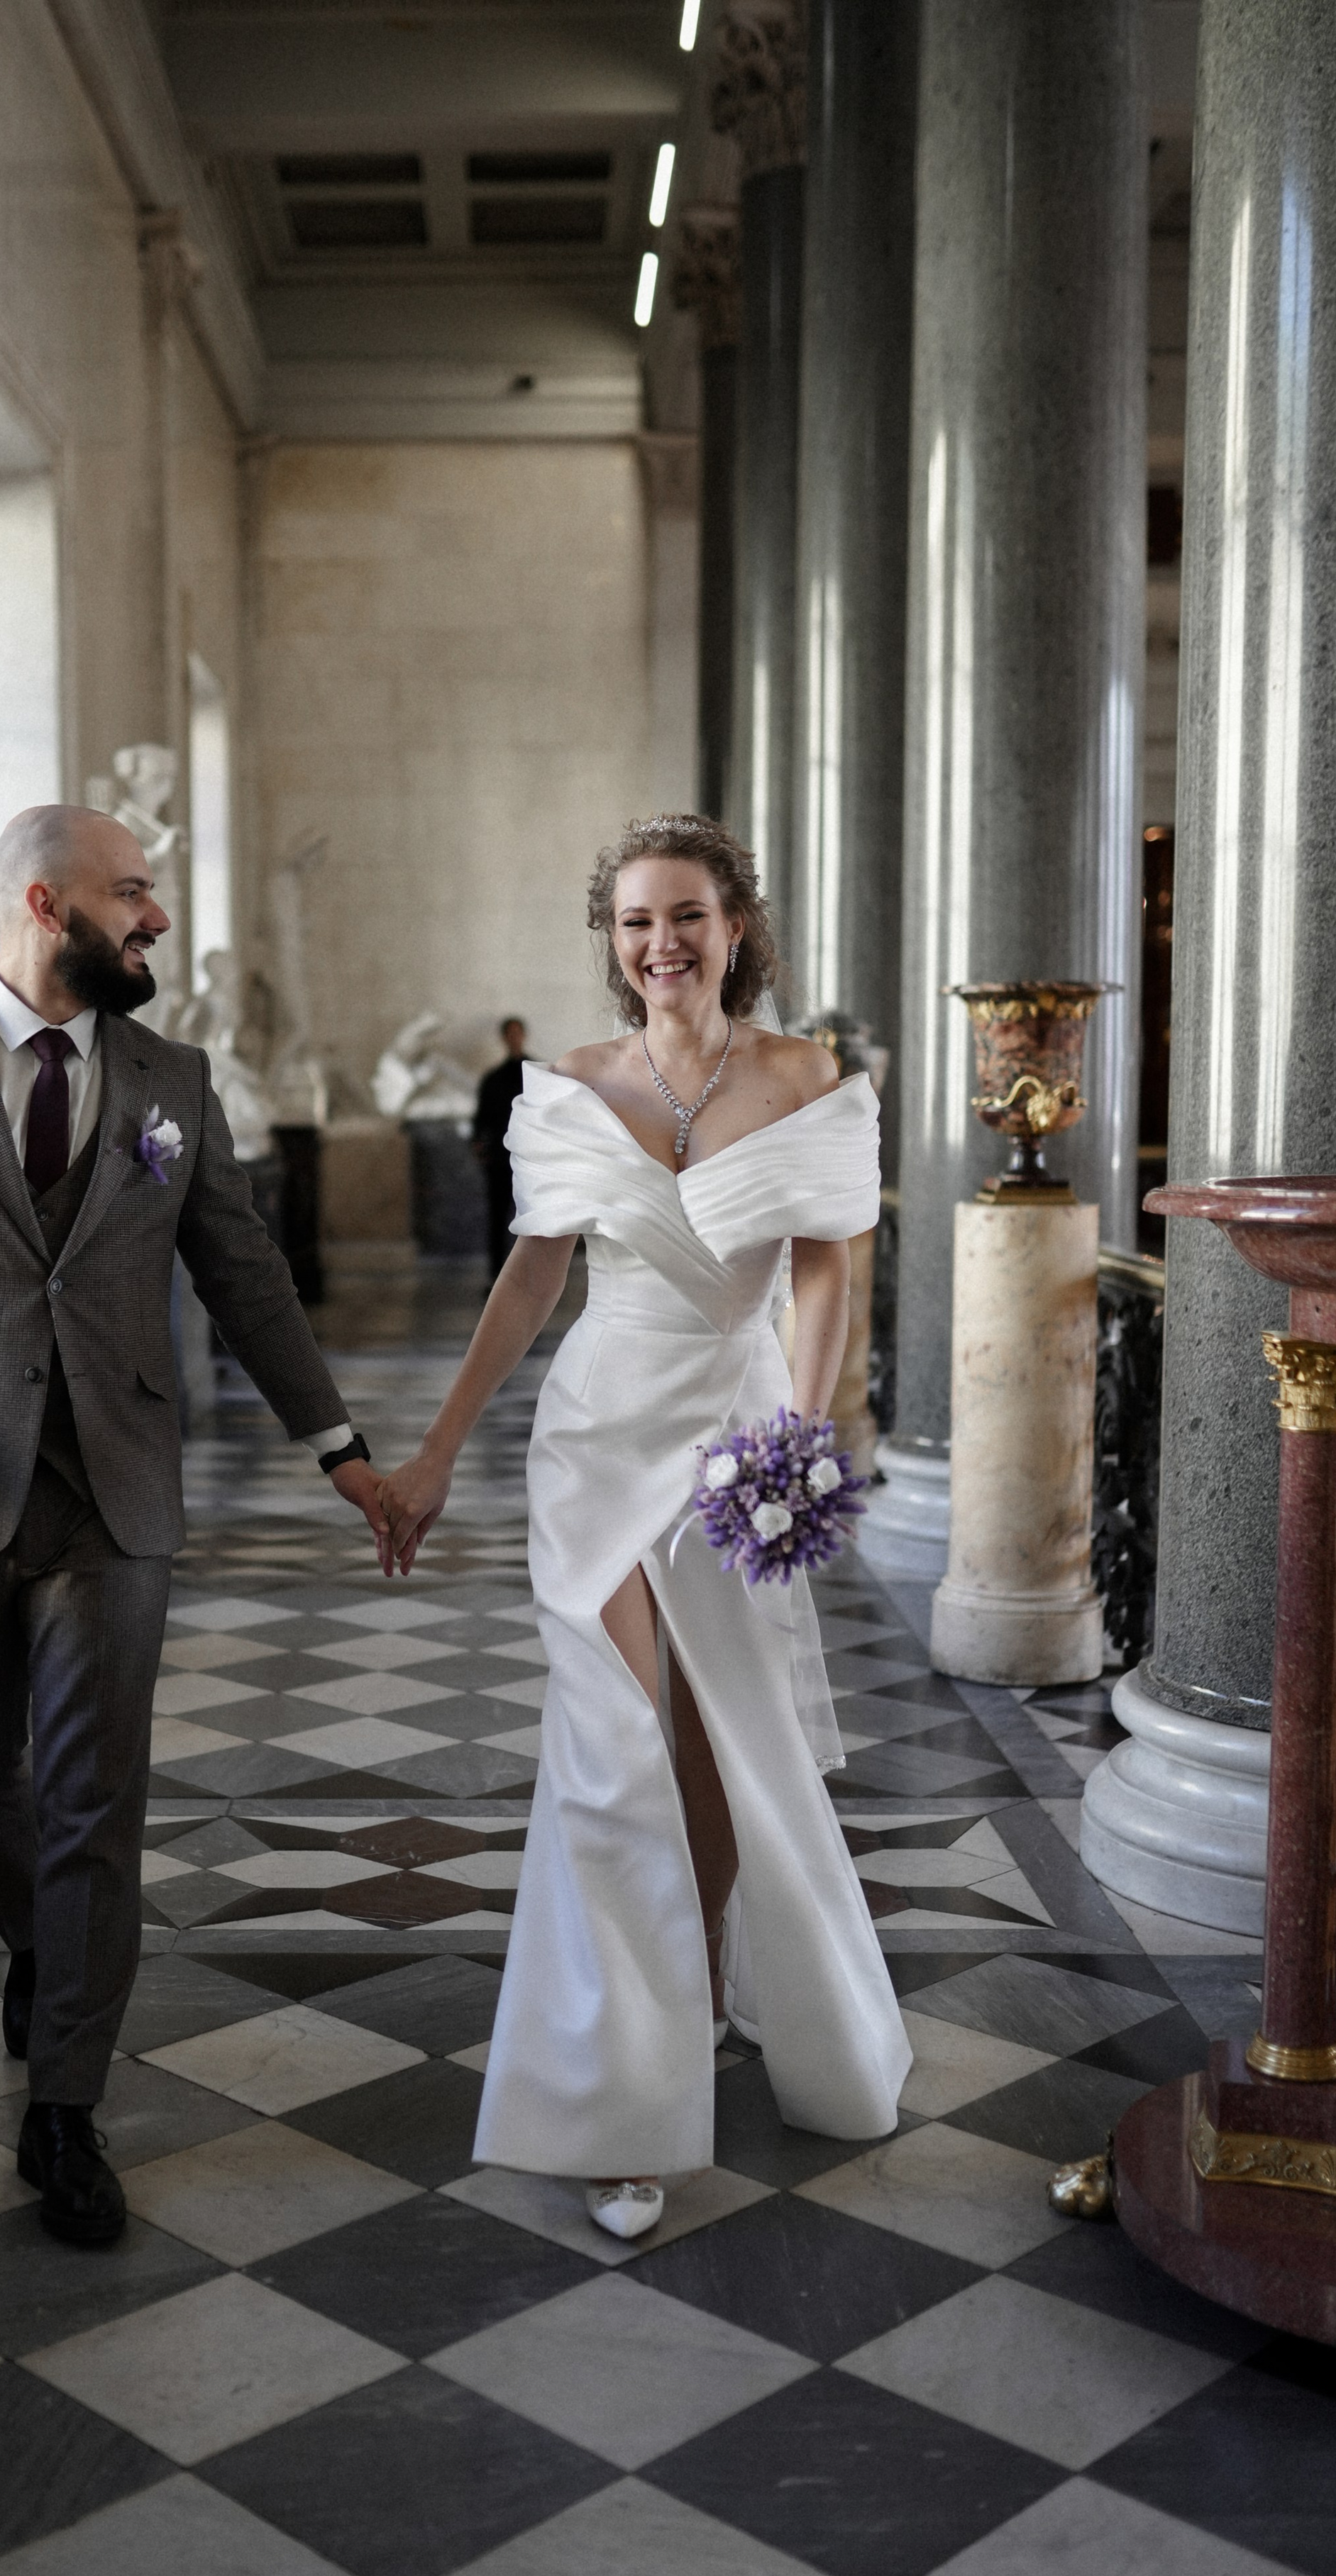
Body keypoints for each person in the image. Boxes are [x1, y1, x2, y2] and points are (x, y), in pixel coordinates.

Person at [0, 806, 389, 2245]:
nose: (156, 922)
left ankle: (65, 2104)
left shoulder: (169, 1076)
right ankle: (43, 1950)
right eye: (134, 896)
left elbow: (240, 1270)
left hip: (117, 1490)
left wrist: (340, 1447)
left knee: (93, 1799)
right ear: (47, 904)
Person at [380, 814, 910, 2242]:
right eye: (631, 923)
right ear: (610, 945)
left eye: (682, 915)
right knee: (614, 1755)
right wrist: (435, 1450)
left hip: (734, 1440)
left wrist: (792, 1441)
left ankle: (694, 1999)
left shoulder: (806, 1080)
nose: (657, 944)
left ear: (734, 923)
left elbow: (820, 1283)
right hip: (595, 1438)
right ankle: (624, 2111)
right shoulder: (566, 1087)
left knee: (718, 1752)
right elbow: (524, 1284)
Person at [473, 1016, 529, 1276]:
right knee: (497, 1220)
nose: (514, 1038)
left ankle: (531, 1277)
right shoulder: (492, 1080)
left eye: (518, 1033)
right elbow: (480, 1120)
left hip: (530, 1161)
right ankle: (496, 1276)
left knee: (532, 1220)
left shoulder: (535, 1075)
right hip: (499, 1161)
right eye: (511, 1034)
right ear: (505, 1038)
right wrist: (481, 1151)